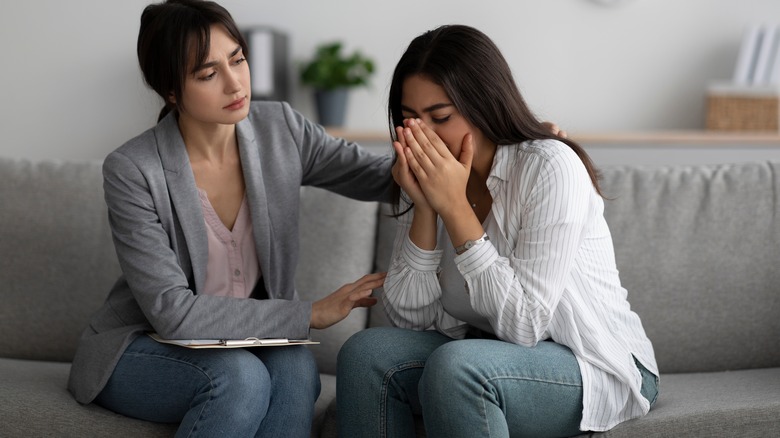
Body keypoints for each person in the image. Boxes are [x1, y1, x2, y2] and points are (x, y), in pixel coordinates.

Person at [66, 1, 392, 436]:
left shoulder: (282, 130)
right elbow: (173, 313)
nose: (235, 82)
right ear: (172, 92)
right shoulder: (133, 169)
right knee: (239, 377)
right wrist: (309, 312)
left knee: (295, 367)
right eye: (207, 73)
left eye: (237, 59)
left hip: (249, 343)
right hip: (143, 348)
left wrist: (450, 142)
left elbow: (379, 178)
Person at [337, 24, 658, 438]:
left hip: (592, 361)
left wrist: (453, 207)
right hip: (491, 351)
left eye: (440, 117)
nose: (422, 137)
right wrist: (424, 206)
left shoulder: (549, 167)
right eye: (409, 120)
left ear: (484, 104)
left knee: (459, 368)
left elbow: (525, 324)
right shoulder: (424, 175)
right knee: (366, 354)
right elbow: (410, 321)